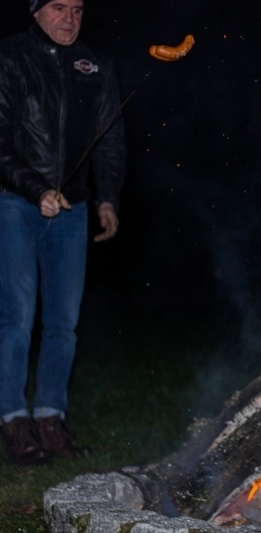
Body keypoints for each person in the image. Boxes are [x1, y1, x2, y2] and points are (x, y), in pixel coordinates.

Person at [0, 0, 126, 464]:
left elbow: (110, 137)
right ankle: (13, 422)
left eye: (77, 8)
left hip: (73, 209)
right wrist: (35, 190)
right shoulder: (11, 58)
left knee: (64, 324)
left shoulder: (96, 65)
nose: (69, 19)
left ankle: (51, 420)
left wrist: (108, 197)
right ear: (35, 11)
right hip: (14, 202)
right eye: (58, 7)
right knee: (17, 316)